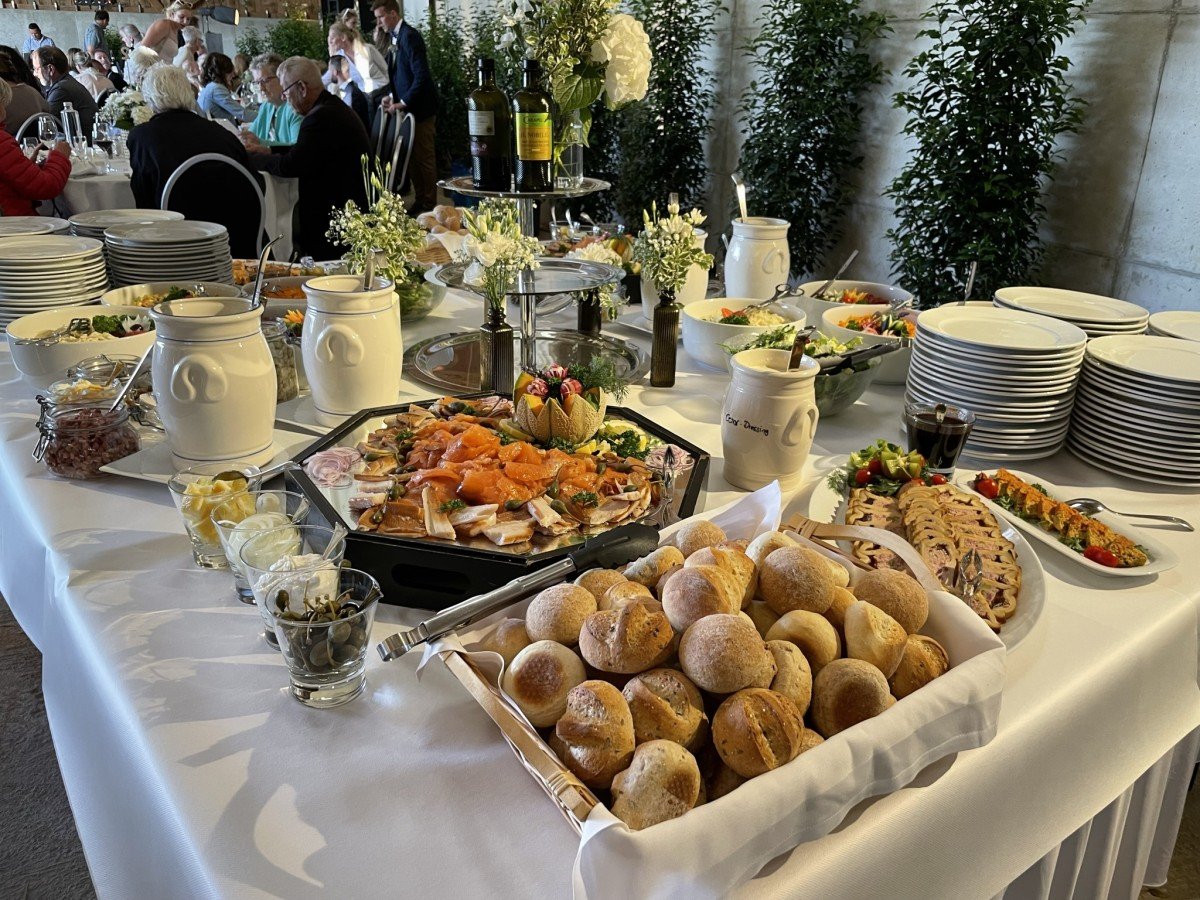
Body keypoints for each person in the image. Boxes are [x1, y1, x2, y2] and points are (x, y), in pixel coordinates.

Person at [127, 64, 260, 256]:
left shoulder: (142, 137)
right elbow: (256, 184)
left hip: (175, 246)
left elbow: (144, 202)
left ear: (150, 99)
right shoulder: (221, 133)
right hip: (236, 241)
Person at [245, 56, 369, 260]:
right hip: (346, 200)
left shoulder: (319, 118)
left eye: (286, 91)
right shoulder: (328, 107)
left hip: (338, 216)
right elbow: (306, 150)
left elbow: (291, 165)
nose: (284, 97)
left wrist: (252, 158)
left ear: (302, 88)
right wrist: (269, 151)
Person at [371, 0, 439, 211]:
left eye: (381, 17)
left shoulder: (410, 36)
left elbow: (421, 76)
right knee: (412, 157)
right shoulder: (396, 37)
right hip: (407, 108)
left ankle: (430, 204)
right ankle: (420, 200)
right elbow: (400, 75)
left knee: (424, 158)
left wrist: (404, 102)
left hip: (421, 108)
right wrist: (392, 97)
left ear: (393, 14)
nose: (379, 22)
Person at [0, 78, 70, 216]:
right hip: (15, 221)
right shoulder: (2, 142)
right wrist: (60, 156)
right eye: (3, 103)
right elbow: (46, 187)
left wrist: (27, 166)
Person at [32, 46, 97, 138]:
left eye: (36, 69)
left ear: (50, 69)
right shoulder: (67, 82)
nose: (35, 74)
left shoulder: (61, 90)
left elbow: (46, 125)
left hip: (82, 143)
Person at [245, 52, 300, 147]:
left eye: (265, 81)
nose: (261, 88)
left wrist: (260, 143)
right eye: (257, 83)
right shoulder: (266, 106)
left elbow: (298, 150)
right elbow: (251, 135)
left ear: (282, 78)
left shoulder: (296, 108)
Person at [325, 21, 388, 94]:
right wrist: (332, 56)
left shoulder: (367, 49)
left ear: (343, 37)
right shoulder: (340, 57)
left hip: (383, 92)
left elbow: (386, 70)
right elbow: (329, 78)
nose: (330, 41)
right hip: (365, 97)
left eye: (332, 38)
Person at [0, 46, 50, 137]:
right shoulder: (31, 91)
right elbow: (50, 115)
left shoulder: (2, 100)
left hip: (9, 144)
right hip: (39, 142)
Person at [198, 53, 250, 124]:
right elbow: (242, 114)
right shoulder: (216, 89)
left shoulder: (209, 87)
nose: (232, 75)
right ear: (221, 72)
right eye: (229, 70)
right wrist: (264, 116)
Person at [327, 55, 370, 133]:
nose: (328, 75)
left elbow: (354, 124)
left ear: (335, 72)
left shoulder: (353, 94)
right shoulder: (351, 90)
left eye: (329, 71)